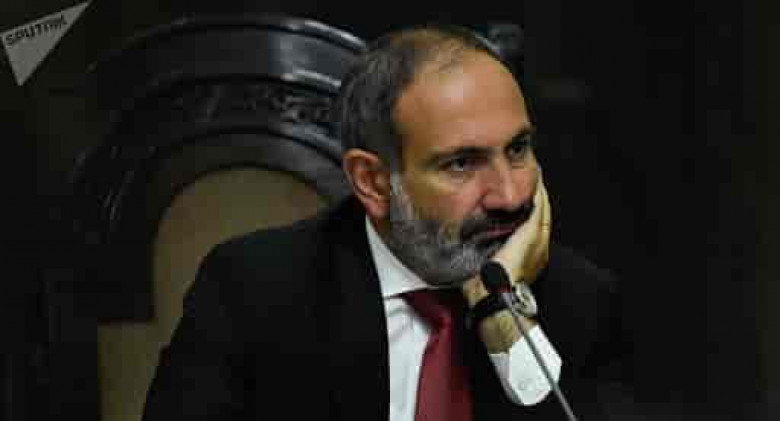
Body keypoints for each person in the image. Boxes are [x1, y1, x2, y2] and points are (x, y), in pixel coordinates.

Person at [142, 23, 633, 421]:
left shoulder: (578, 303)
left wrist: (504, 315)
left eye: (518, 149)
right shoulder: (255, 291)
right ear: (373, 182)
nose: (509, 195)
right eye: (462, 163)